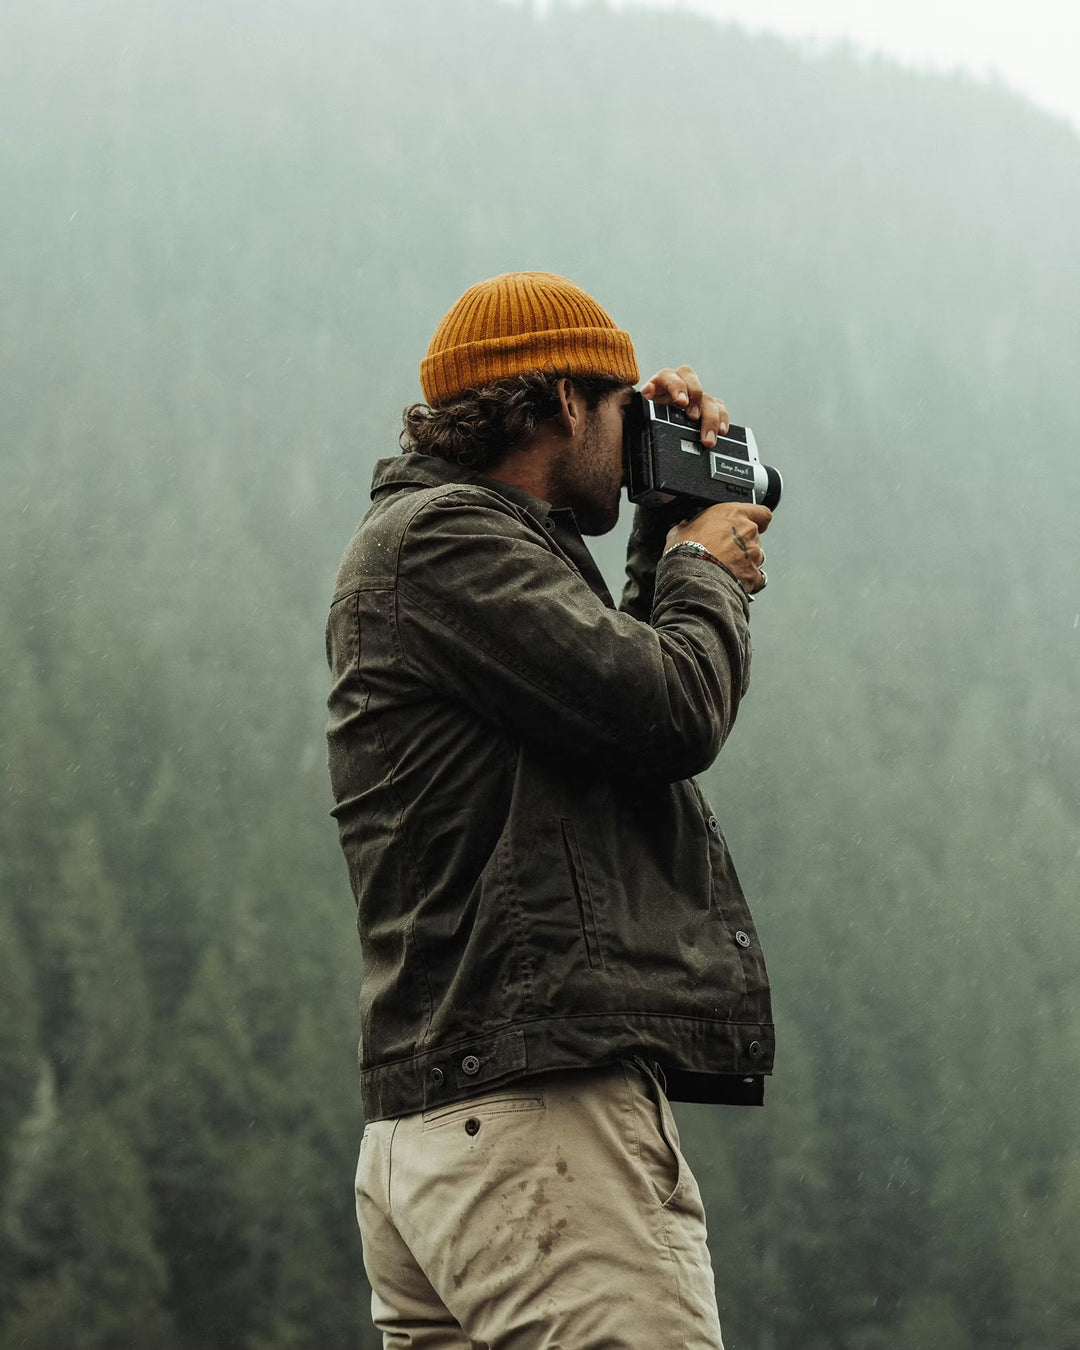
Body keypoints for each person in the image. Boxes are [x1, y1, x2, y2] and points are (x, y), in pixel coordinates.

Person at [326, 271, 774, 1348]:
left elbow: (608, 715)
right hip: (537, 1126)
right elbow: (670, 710)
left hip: (459, 1127)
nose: (634, 439)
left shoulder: (461, 550)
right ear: (565, 403)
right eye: (625, 410)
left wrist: (660, 539)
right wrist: (705, 568)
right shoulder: (444, 546)